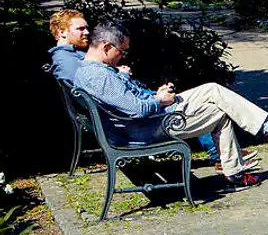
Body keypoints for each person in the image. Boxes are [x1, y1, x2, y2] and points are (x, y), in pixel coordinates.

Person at [73, 21, 268, 186]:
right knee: (217, 102)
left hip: (147, 121)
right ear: (106, 48)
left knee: (215, 100)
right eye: (122, 51)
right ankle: (266, 132)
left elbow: (124, 100)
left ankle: (244, 161)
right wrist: (159, 100)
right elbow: (136, 110)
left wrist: (148, 92)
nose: (123, 56)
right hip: (149, 128)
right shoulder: (98, 76)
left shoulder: (90, 71)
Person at [48, 9, 232, 166]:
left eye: (87, 27)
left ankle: (223, 152)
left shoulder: (73, 55)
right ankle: (220, 154)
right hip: (129, 125)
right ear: (62, 32)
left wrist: (116, 73)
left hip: (125, 113)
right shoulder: (67, 61)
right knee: (200, 105)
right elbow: (95, 86)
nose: (87, 32)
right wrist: (120, 76)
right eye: (80, 28)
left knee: (204, 94)